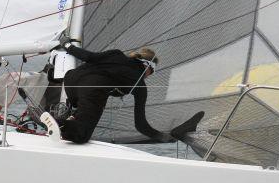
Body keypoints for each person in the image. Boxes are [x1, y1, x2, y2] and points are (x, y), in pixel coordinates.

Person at [41, 39, 201, 144]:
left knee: (83, 109)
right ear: (147, 66)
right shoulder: (139, 84)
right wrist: (162, 136)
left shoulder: (115, 54)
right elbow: (141, 125)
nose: (149, 76)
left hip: (71, 80)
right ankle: (58, 122)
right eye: (151, 72)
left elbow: (88, 56)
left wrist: (68, 45)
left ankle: (60, 117)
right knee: (82, 135)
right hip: (92, 89)